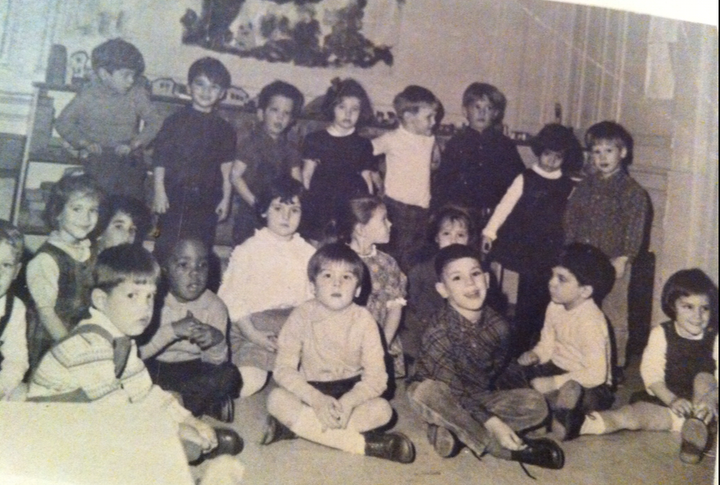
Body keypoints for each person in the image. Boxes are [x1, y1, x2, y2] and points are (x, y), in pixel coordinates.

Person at [27, 244, 243, 465]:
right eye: (132, 296)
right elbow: (118, 414)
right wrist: (177, 430)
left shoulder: (123, 340)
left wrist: (190, 421)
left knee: (178, 423)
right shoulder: (89, 346)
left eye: (150, 297)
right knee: (174, 444)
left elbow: (143, 391)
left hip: (89, 418)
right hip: (51, 434)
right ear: (101, 300)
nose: (145, 308)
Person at [406, 244, 564, 472]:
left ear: (487, 280)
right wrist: (494, 423)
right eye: (457, 278)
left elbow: (504, 369)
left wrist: (521, 393)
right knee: (426, 392)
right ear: (442, 290)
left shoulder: (499, 325)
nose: (470, 283)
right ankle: (498, 448)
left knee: (537, 404)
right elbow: (454, 391)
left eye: (475, 273)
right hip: (443, 394)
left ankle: (454, 432)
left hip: (479, 396)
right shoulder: (438, 332)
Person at [263, 243, 415, 464]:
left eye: (347, 277)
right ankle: (366, 446)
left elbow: (377, 379)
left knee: (383, 411)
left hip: (351, 390)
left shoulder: (364, 320)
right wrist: (315, 400)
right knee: (276, 399)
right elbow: (283, 369)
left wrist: (349, 402)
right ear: (312, 286)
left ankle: (298, 429)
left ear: (359, 289)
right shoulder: (300, 316)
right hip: (311, 390)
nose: (337, 283)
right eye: (327, 275)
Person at [576, 269, 717, 465]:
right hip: (668, 403)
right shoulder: (662, 333)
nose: (698, 315)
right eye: (688, 307)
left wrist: (710, 399)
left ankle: (694, 437)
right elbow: (652, 376)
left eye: (705, 308)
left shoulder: (714, 338)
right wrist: (672, 400)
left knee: (704, 378)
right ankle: (580, 424)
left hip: (706, 413)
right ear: (673, 306)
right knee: (631, 416)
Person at [482, 123, 583, 356]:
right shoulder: (525, 177)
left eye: (558, 157)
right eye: (547, 154)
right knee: (527, 294)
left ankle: (539, 340)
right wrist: (489, 232)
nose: (551, 161)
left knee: (546, 293)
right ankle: (519, 340)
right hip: (524, 243)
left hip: (550, 246)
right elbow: (504, 206)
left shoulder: (568, 185)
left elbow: (571, 217)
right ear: (539, 151)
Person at [563, 121, 650, 371]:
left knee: (614, 314)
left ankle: (614, 366)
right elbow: (571, 217)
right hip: (583, 260)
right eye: (596, 151)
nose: (601, 157)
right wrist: (570, 250)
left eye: (608, 151)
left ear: (622, 153)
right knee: (578, 308)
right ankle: (576, 358)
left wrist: (625, 257)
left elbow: (635, 228)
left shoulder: (633, 192)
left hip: (615, 261)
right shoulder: (584, 186)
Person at [218, 176, 315, 398]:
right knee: (250, 381)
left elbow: (313, 300)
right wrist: (253, 334)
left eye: (295, 210)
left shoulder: (308, 253)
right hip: (254, 327)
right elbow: (231, 298)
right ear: (263, 211)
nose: (286, 216)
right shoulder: (249, 250)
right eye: (278, 208)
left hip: (293, 328)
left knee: (310, 381)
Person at [518, 243, 616, 440]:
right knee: (516, 373)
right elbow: (547, 344)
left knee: (582, 397)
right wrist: (536, 355)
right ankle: (552, 410)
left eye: (562, 279)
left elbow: (596, 374)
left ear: (585, 291)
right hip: (558, 367)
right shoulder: (554, 306)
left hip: (591, 384)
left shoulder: (590, 321)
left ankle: (562, 417)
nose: (552, 283)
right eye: (553, 275)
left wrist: (553, 382)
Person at [140, 238, 241, 423]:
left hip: (191, 370)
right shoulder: (151, 301)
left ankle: (174, 407)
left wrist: (215, 340)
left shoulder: (215, 306)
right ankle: (201, 406)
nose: (194, 273)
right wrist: (172, 331)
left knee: (230, 376)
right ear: (165, 269)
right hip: (154, 365)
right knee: (129, 376)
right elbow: (139, 353)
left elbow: (216, 362)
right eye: (183, 265)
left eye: (202, 265)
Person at [55, 38, 162, 199]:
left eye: (134, 75)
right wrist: (84, 142)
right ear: (104, 74)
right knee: (100, 193)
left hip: (128, 153)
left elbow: (156, 120)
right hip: (98, 155)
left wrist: (136, 143)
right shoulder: (88, 95)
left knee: (132, 194)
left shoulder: (136, 93)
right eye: (126, 75)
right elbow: (63, 122)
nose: (131, 81)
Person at [152, 57, 237, 260]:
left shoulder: (225, 129)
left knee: (200, 247)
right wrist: (159, 191)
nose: (206, 92)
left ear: (222, 93)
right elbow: (160, 159)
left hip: (206, 198)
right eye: (200, 84)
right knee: (166, 242)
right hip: (174, 194)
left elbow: (227, 170)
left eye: (214, 87)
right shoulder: (174, 121)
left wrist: (226, 199)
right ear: (189, 87)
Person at [26, 172, 103, 370]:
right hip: (54, 345)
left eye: (92, 210)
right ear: (58, 212)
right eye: (77, 209)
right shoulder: (46, 259)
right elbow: (46, 314)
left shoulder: (88, 251)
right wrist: (74, 349)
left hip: (85, 340)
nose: (86, 218)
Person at [432, 82, 525, 230]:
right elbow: (444, 182)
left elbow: (518, 182)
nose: (482, 113)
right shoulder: (456, 143)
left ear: (495, 114)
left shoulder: (505, 145)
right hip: (463, 217)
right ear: (465, 111)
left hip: (496, 217)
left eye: (488, 108)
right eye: (477, 107)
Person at [335, 196, 407, 380]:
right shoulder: (338, 261)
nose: (390, 224)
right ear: (361, 229)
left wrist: (382, 345)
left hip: (381, 338)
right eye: (384, 219)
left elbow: (395, 308)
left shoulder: (388, 263)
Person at [300, 78, 379, 243]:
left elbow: (367, 181)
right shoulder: (316, 139)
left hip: (349, 205)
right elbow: (306, 176)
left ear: (362, 112)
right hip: (320, 203)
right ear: (331, 107)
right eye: (341, 107)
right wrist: (306, 205)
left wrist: (367, 213)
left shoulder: (363, 144)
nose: (348, 114)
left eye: (354, 109)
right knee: (317, 245)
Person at [371, 85, 441, 272]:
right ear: (409, 117)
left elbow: (432, 164)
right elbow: (364, 153)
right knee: (394, 257)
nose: (434, 121)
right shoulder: (392, 138)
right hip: (397, 208)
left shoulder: (429, 139)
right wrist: (373, 175)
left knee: (415, 260)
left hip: (422, 210)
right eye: (429, 117)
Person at [231, 80, 305, 245]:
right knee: (247, 252)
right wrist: (255, 203)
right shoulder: (250, 143)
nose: (280, 117)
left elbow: (297, 181)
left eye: (286, 113)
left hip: (279, 213)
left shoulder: (290, 148)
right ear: (261, 113)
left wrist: (293, 206)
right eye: (274, 110)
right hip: (251, 211)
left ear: (292, 119)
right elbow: (235, 176)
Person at [403, 205, 474, 361]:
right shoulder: (423, 268)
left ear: (468, 239)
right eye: (446, 234)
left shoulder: (474, 270)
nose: (453, 240)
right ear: (437, 238)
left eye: (460, 235)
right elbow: (410, 302)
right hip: (426, 323)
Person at [0, 220, 29, 401]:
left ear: (17, 271)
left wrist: (3, 385)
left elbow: (17, 359)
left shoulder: (14, 308)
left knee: (22, 393)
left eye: (6, 265)